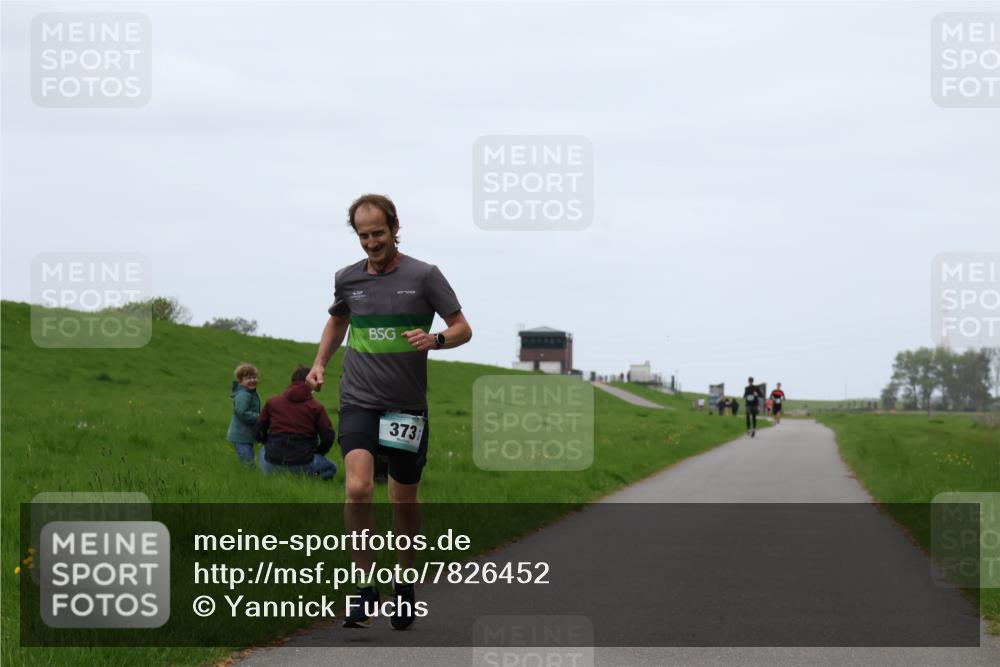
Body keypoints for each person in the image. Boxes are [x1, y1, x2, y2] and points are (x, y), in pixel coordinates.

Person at [306, 194, 472, 630]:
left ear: (395, 227)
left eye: (378, 233)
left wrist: (435, 340)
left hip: (406, 407)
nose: (371, 242)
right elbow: (339, 321)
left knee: (403, 499)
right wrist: (321, 362)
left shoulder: (424, 276)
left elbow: (462, 329)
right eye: (363, 235)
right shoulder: (348, 279)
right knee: (358, 488)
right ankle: (364, 588)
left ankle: (405, 582)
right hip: (358, 398)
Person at [253, 366, 337, 480]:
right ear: (312, 381)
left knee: (264, 450)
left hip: (271, 463)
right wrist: (318, 452)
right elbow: (328, 437)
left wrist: (267, 442)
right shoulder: (316, 407)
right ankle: (306, 480)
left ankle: (274, 476)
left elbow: (257, 431)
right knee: (331, 468)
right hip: (303, 463)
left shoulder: (272, 402)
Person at [226, 363, 260, 465]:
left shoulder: (250, 393)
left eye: (255, 377)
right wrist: (260, 417)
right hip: (241, 435)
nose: (253, 380)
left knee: (248, 458)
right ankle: (248, 475)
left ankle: (248, 474)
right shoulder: (243, 395)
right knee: (247, 462)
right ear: (240, 381)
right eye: (248, 378)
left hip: (246, 435)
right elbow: (243, 413)